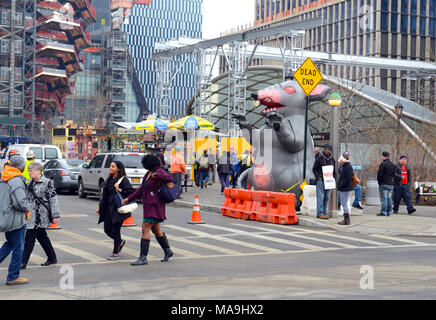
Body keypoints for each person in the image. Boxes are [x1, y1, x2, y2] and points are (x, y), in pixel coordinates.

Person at [123, 154, 174, 266]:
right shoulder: (148, 173)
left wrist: (157, 175)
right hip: (149, 205)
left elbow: (169, 178)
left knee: (145, 227)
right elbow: (141, 190)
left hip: (155, 205)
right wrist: (128, 198)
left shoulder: (158, 171)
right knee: (155, 230)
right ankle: (167, 250)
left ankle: (143, 257)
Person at [21, 162, 60, 269]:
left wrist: (55, 215)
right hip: (31, 215)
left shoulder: (48, 182)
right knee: (42, 237)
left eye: (31, 171)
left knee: (29, 239)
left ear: (38, 171)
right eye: (29, 171)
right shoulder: (29, 183)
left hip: (41, 215)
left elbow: (53, 199)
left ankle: (23, 262)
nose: (29, 173)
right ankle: (52, 258)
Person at [0, 156, 31, 285]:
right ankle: (13, 276)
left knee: (10, 243)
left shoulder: (4, 177)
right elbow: (20, 202)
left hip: (6, 216)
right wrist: (28, 207)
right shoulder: (16, 180)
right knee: (18, 246)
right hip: (15, 219)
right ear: (20, 167)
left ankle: (13, 275)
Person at [97, 161, 134, 260]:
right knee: (107, 229)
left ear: (118, 168)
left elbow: (131, 191)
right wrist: (100, 206)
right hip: (108, 208)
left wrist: (120, 189)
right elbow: (105, 195)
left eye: (113, 166)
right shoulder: (109, 179)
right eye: (110, 166)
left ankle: (115, 253)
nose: (110, 168)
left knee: (116, 229)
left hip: (118, 208)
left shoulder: (123, 180)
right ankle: (120, 242)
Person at [312, 144, 336, 219]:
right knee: (320, 197)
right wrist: (318, 177)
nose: (327, 151)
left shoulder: (332, 160)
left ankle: (325, 212)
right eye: (326, 149)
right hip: (321, 180)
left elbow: (334, 171)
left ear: (330, 151)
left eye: (328, 150)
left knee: (326, 197)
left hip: (328, 181)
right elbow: (314, 169)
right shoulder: (319, 158)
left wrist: (334, 178)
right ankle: (320, 213)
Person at [377, 151, 396, 216]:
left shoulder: (382, 164)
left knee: (384, 198)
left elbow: (379, 174)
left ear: (383, 156)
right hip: (391, 183)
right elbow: (394, 174)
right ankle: (389, 211)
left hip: (384, 183)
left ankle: (384, 211)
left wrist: (379, 182)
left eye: (382, 156)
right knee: (389, 197)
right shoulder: (392, 164)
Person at [337, 153, 354, 225]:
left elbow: (346, 178)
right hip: (345, 187)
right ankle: (346, 219)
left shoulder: (347, 167)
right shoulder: (346, 166)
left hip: (345, 188)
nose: (339, 161)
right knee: (344, 203)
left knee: (344, 204)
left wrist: (340, 185)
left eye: (340, 159)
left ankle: (346, 219)